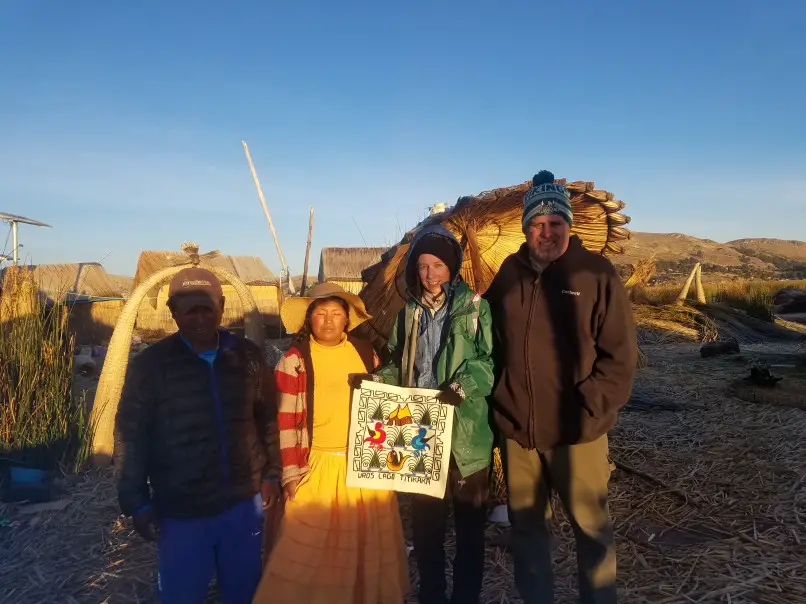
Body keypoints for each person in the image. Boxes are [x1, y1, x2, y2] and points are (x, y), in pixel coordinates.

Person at [484, 170, 638, 604]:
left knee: (592, 529)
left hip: (577, 432)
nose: (546, 232)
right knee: (528, 531)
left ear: (568, 226)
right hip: (520, 434)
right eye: (538, 223)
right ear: (526, 227)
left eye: (555, 224)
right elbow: (490, 346)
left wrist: (589, 407)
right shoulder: (508, 277)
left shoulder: (594, 274)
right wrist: (501, 403)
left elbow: (620, 358)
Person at [114, 267, 282, 604]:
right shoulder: (151, 365)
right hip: (181, 510)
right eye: (189, 309)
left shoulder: (247, 356)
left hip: (243, 502)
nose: (199, 317)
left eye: (207, 307)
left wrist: (272, 472)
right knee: (181, 594)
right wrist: (136, 502)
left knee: (244, 591)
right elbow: (131, 435)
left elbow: (268, 418)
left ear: (221, 306)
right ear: (173, 312)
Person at [355, 225, 495, 604]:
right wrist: (374, 381)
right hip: (421, 432)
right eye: (422, 266)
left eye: (437, 265)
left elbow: (488, 362)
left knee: (469, 530)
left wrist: (460, 388)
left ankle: (465, 597)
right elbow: (400, 365)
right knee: (426, 529)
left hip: (467, 436)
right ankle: (432, 595)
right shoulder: (409, 313)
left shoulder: (476, 308)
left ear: (452, 268)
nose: (430, 274)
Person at [253, 282, 409, 604]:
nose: (328, 321)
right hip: (317, 466)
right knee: (307, 547)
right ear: (308, 319)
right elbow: (284, 421)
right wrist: (291, 473)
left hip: (364, 467)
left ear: (346, 320)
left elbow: (385, 407)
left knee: (366, 548)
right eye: (320, 314)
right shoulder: (294, 362)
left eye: (336, 314)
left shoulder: (367, 353)